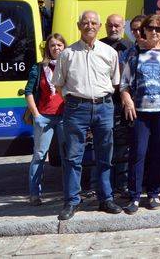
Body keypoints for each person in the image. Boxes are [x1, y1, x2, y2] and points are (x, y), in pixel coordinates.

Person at [53, 11, 122, 221]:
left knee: (105, 157)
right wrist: (75, 102)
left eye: (93, 23)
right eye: (85, 22)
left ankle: (106, 199)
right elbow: (58, 85)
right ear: (78, 25)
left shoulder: (110, 52)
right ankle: (72, 201)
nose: (89, 26)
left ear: (99, 26)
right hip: (76, 109)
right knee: (73, 157)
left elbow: (115, 81)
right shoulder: (67, 54)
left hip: (104, 107)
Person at [120, 14, 160, 213]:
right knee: (138, 153)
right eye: (150, 28)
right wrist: (127, 100)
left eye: (158, 29)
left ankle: (153, 193)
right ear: (143, 30)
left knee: (157, 154)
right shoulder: (134, 54)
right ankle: (134, 196)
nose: (154, 31)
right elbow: (124, 83)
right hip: (140, 113)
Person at [24, 33, 68, 206]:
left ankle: (69, 193)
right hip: (44, 117)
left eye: (59, 45)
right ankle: (35, 194)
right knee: (40, 155)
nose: (56, 48)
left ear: (64, 47)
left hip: (65, 116)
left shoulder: (69, 65)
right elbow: (28, 91)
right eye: (52, 45)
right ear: (48, 48)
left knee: (67, 156)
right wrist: (36, 115)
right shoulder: (39, 68)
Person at [99, 14, 134, 194]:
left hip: (125, 103)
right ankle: (103, 186)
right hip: (104, 102)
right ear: (105, 26)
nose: (113, 29)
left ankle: (122, 184)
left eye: (117, 26)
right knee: (104, 144)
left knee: (123, 147)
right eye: (110, 25)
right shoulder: (98, 46)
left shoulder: (130, 47)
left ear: (123, 27)